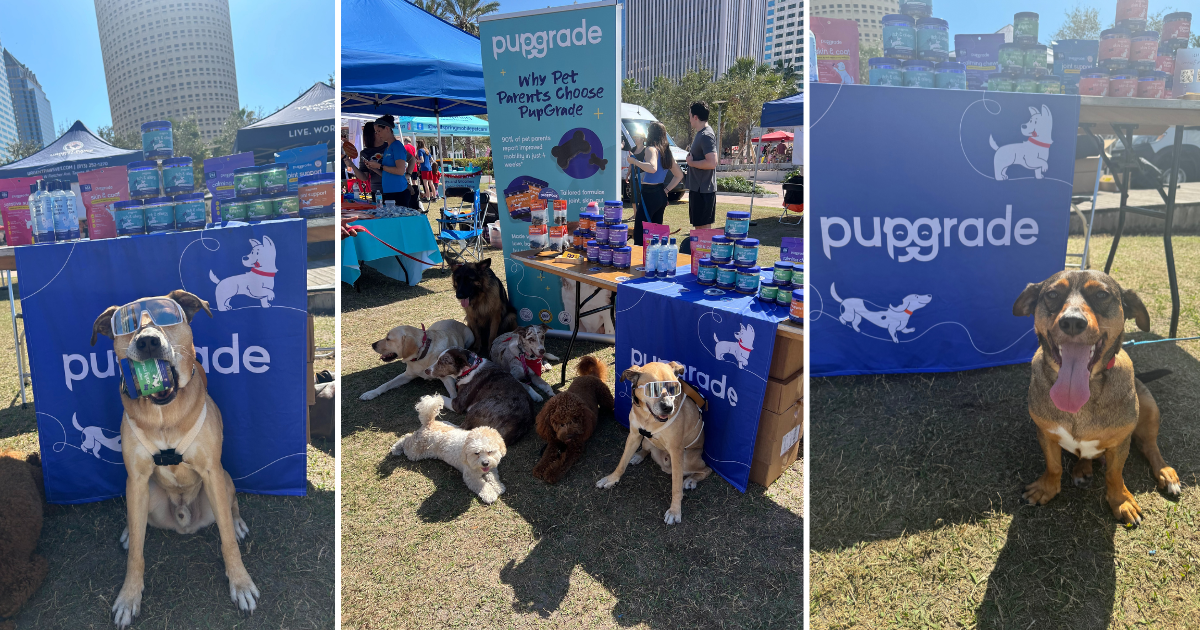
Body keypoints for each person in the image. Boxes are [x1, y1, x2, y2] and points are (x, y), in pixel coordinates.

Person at [627, 122, 683, 246]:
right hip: (660, 194)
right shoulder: (666, 152)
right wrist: (666, 190)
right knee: (655, 234)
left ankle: (640, 263)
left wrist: (634, 161)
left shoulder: (651, 149)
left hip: (649, 194)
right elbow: (679, 175)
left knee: (640, 233)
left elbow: (652, 168)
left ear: (651, 133)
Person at [684, 101, 718, 253]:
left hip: (703, 190)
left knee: (703, 229)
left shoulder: (706, 135)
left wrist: (691, 163)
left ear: (695, 117)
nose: (689, 118)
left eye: (690, 115)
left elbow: (712, 162)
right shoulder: (701, 134)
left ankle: (705, 260)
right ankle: (701, 261)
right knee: (699, 227)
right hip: (698, 189)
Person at [361, 115, 416, 208]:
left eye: (379, 131)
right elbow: (386, 174)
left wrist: (379, 166)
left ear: (387, 128)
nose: (377, 134)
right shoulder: (388, 148)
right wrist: (373, 168)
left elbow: (400, 171)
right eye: (376, 132)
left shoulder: (397, 146)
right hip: (389, 192)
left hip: (399, 193)